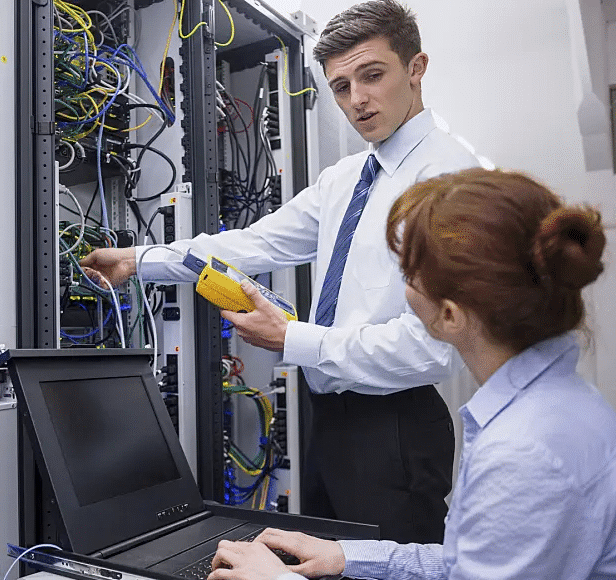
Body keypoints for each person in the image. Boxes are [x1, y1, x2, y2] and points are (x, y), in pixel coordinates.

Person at [81, 0, 481, 543]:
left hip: (395, 429)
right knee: (319, 565)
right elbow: (256, 242)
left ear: (416, 68)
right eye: (341, 87)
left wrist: (292, 338)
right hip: (331, 420)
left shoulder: (451, 179)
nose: (357, 100)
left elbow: (434, 347)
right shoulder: (346, 179)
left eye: (373, 75)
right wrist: (140, 260)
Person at [207, 168, 616, 580]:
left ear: (450, 316)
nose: (402, 288)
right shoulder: (555, 406)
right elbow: (465, 564)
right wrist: (346, 556)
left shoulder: (524, 452)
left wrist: (275, 579)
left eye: (406, 274)